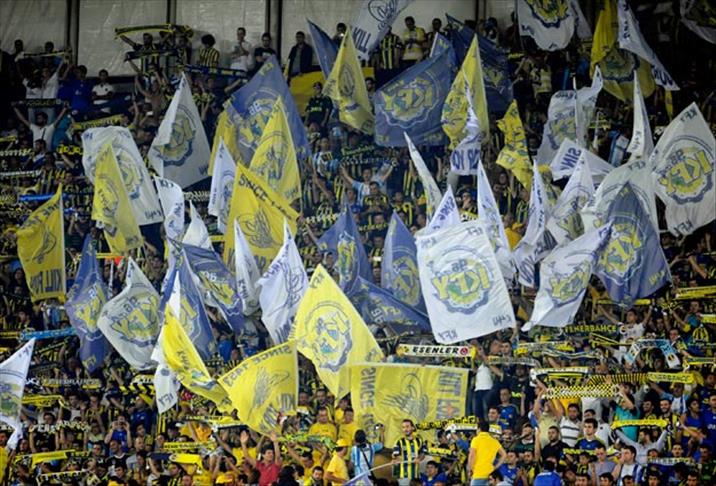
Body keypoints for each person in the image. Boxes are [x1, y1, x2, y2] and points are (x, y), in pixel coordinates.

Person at [468, 420, 507, 486]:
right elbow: (504, 455)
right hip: (490, 474)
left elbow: (472, 456)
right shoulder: (494, 441)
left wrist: (471, 469)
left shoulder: (476, 439)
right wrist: (495, 467)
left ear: (479, 429)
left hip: (478, 474)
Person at [393, 419, 427, 486]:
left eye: (407, 426)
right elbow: (397, 456)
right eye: (403, 427)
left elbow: (423, 453)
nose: (405, 429)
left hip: (416, 476)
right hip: (403, 477)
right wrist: (396, 460)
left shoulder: (419, 440)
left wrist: (419, 458)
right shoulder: (399, 442)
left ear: (413, 428)